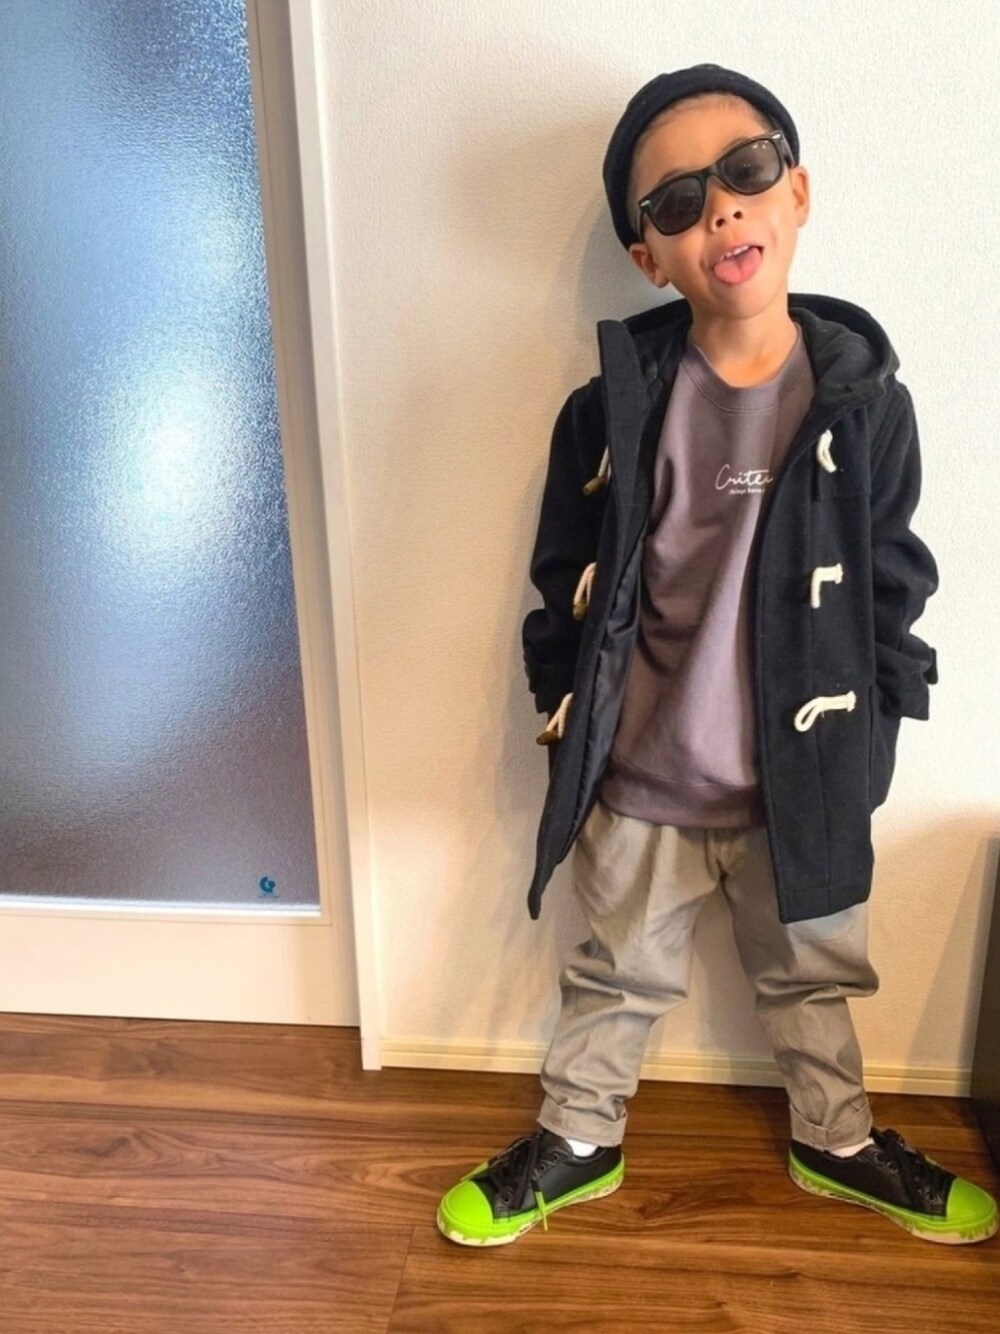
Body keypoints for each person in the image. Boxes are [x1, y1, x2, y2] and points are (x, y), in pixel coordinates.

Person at [436, 63, 999, 1248]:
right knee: (613, 972)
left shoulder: (864, 405)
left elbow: (893, 577)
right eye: (679, 202)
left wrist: (878, 729)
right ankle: (575, 1137)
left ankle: (836, 1137)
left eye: (745, 172)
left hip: (801, 786)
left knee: (814, 975)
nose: (722, 210)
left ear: (797, 192)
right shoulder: (611, 410)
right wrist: (568, 715)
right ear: (648, 255)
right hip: (643, 777)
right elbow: (563, 580)